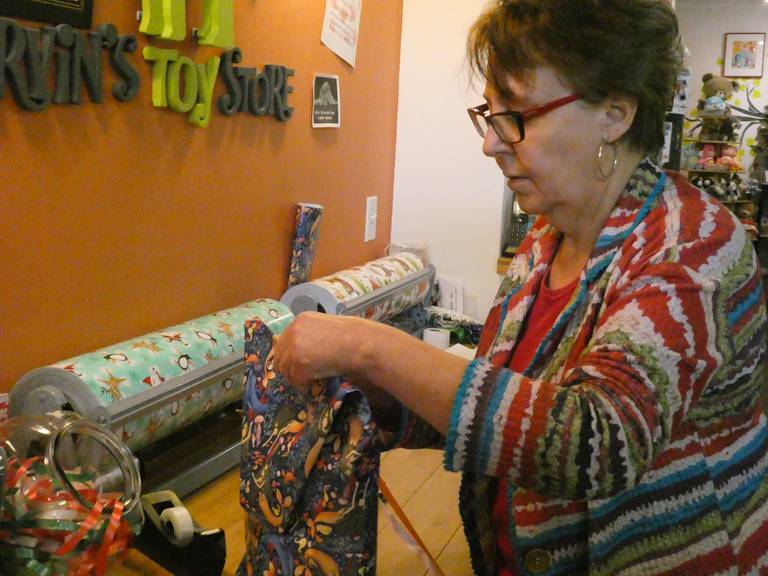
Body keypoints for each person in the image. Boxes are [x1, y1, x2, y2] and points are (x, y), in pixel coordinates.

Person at [273, 0, 768, 574]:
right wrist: (382, 396)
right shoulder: (544, 241)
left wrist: (369, 347)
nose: (490, 142)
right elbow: (504, 407)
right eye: (490, 114)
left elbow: (596, 440)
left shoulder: (695, 245)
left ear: (615, 111)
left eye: (518, 117)